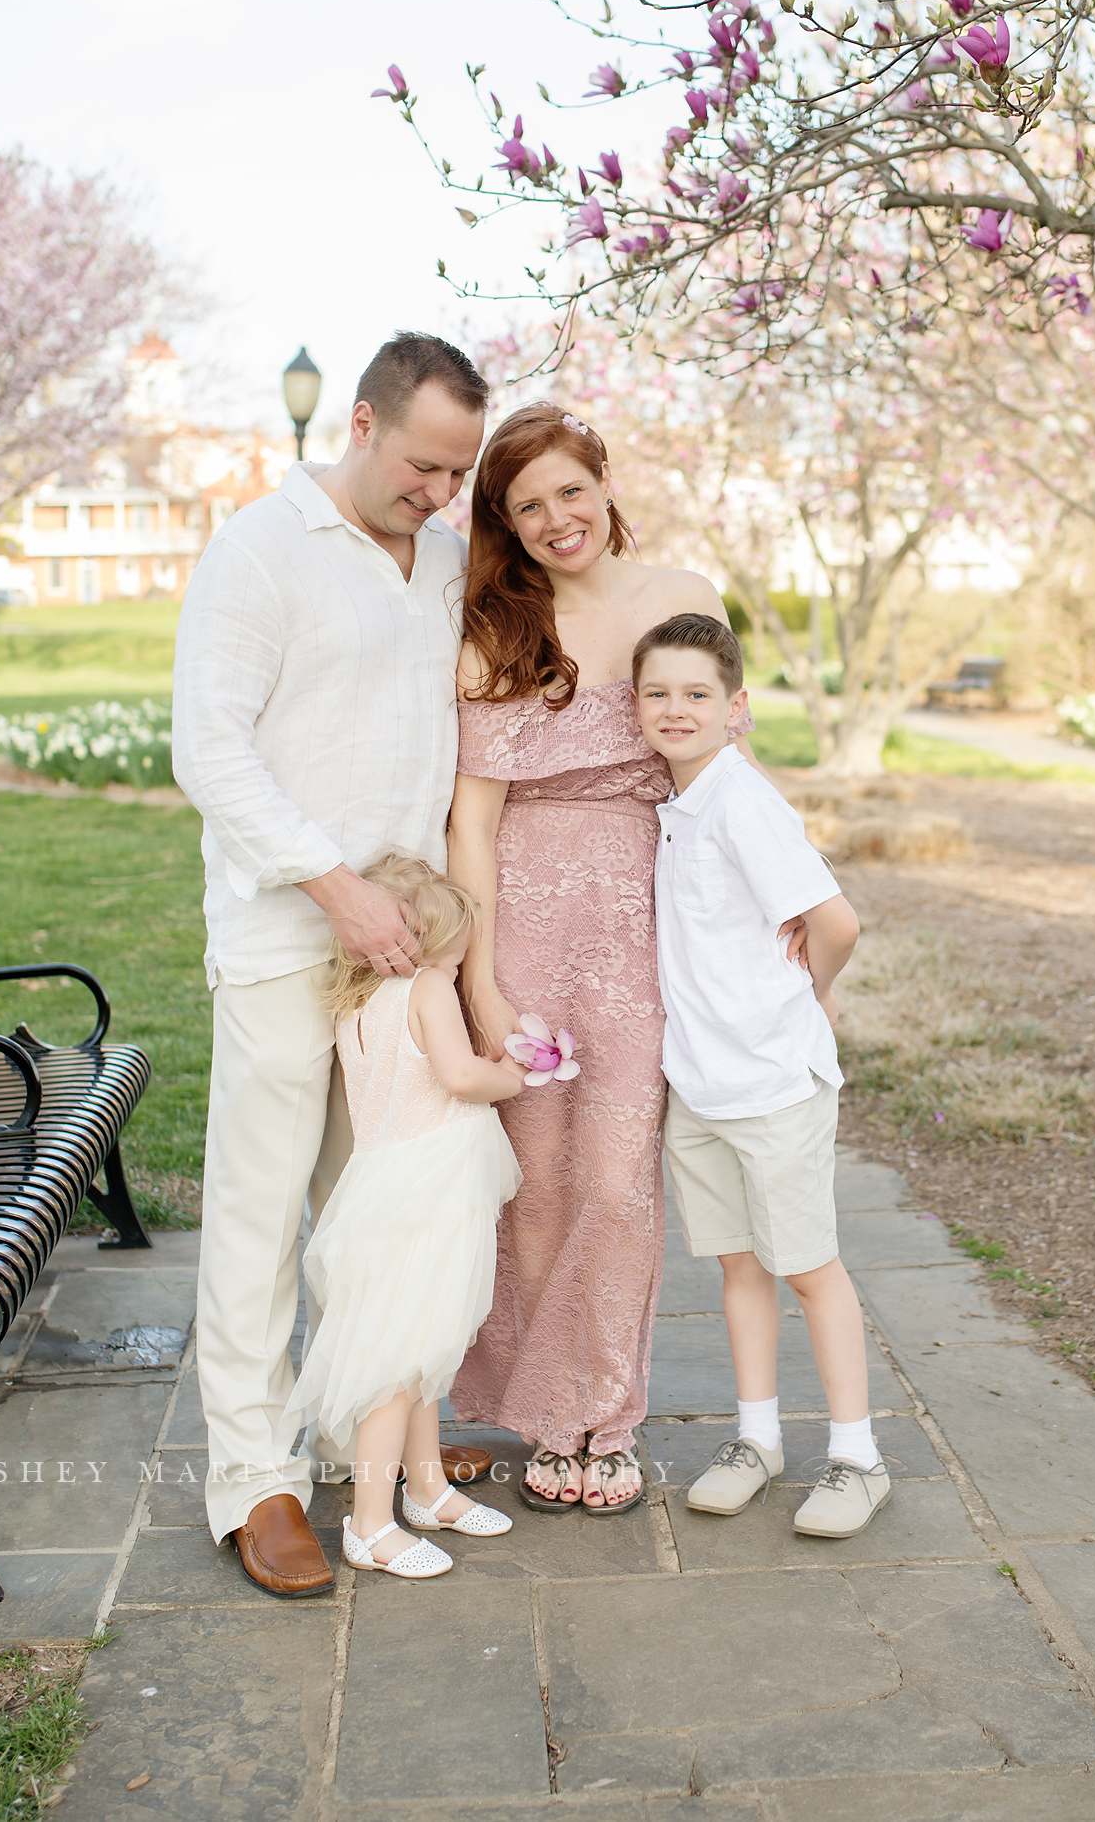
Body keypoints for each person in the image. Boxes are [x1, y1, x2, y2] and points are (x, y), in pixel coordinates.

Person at [171, 332, 492, 1598]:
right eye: (424, 464)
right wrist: (334, 884)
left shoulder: (451, 557)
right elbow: (209, 746)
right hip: (284, 935)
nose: (439, 493)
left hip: (405, 953)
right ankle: (254, 1479)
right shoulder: (259, 549)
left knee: (380, 1215)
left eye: (458, 472)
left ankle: (374, 1431)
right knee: (261, 1213)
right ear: (360, 424)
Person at [447, 402, 742, 1515]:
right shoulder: (497, 627)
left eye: (570, 490)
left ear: (605, 482)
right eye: (527, 507)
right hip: (522, 915)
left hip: (645, 918)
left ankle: (606, 1414)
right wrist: (481, 978)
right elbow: (472, 824)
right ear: (506, 525)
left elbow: (718, 776)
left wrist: (768, 903)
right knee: (532, 1189)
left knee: (618, 1183)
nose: (555, 519)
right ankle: (542, 1414)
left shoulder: (685, 597)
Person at [633, 611, 893, 1539]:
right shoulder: (679, 804)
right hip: (701, 1083)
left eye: (697, 694)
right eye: (657, 693)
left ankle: (858, 1458)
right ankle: (756, 1440)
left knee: (809, 1268)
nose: (675, 708)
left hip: (772, 1083)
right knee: (739, 1267)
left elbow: (840, 923)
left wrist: (810, 998)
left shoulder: (743, 802)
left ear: (736, 709)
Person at [285, 853, 524, 1580]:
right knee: (395, 1366)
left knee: (420, 1353)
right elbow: (457, 1075)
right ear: (436, 942)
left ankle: (427, 1489)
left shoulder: (357, 1000)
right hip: (429, 1192)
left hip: (382, 1186)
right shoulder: (426, 987)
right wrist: (515, 1075)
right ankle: (368, 1526)